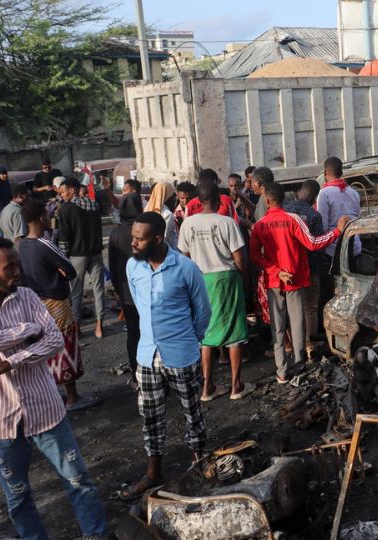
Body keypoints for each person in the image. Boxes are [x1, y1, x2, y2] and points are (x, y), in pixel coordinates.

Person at [0, 237, 106, 539]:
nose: (17, 273)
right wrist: (25, 330)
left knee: (78, 480)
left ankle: (97, 535)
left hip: (46, 409)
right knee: (18, 496)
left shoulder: (27, 296)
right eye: (9, 267)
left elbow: (53, 340)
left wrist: (10, 362)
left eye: (17, 265)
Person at [120, 211, 212, 500]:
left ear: (158, 239)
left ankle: (200, 466)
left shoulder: (186, 268)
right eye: (132, 237)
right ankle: (153, 473)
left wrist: (188, 339)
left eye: (139, 238)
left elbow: (203, 311)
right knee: (150, 416)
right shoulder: (132, 268)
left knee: (192, 413)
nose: (133, 243)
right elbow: (138, 305)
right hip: (146, 356)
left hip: (181, 354)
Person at [251, 182, 348, 383]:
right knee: (297, 323)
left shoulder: (260, 225)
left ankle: (281, 371)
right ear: (284, 199)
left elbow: (255, 256)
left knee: (277, 327)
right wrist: (337, 232)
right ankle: (298, 364)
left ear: (267, 200)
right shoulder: (292, 220)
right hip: (295, 279)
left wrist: (276, 271)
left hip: (274, 281)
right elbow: (313, 243)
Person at [18, 199, 101, 412]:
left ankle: (54, 395)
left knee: (45, 348)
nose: (50, 218)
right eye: (46, 215)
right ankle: (73, 397)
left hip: (34, 305)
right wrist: (59, 273)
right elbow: (69, 270)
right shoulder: (44, 244)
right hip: (56, 302)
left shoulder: (21, 245)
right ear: (40, 219)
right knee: (64, 346)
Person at [178, 182, 253, 401]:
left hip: (201, 280)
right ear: (220, 201)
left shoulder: (188, 223)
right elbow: (239, 258)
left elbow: (184, 257)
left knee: (206, 335)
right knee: (234, 333)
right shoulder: (227, 222)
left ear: (198, 201)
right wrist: (244, 279)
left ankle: (207, 387)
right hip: (226, 279)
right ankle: (236, 386)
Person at [284, 180, 330, 359]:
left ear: (299, 192)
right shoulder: (314, 216)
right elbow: (317, 246)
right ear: (314, 197)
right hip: (310, 268)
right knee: (310, 308)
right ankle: (310, 347)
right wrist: (319, 269)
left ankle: (296, 346)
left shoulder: (286, 211)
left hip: (289, 268)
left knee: (292, 308)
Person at [56, 178, 106, 339]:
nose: (61, 196)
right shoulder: (94, 205)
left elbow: (64, 237)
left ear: (71, 190)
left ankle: (77, 327)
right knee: (99, 289)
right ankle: (99, 325)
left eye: (62, 192)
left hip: (77, 255)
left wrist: (63, 260)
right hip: (96, 252)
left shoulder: (66, 209)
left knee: (76, 292)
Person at [109, 190, 145, 390]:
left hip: (126, 291)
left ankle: (137, 374)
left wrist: (116, 289)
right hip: (146, 289)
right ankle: (155, 372)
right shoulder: (143, 228)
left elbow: (112, 264)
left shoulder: (116, 232)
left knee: (133, 334)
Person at [316, 157, 360, 260]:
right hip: (355, 247)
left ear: (325, 172)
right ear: (341, 172)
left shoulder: (324, 193)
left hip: (334, 250)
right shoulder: (354, 192)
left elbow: (323, 227)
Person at [144, 181, 179, 248]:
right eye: (173, 195)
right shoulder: (167, 214)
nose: (175, 199)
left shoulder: (146, 208)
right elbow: (164, 238)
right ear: (167, 196)